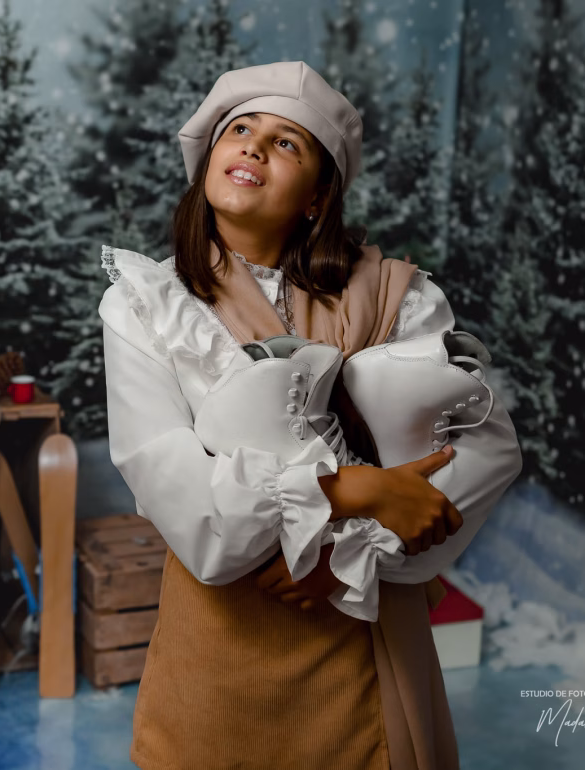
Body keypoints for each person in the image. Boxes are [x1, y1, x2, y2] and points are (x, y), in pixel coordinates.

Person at [98, 61, 522, 770]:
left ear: (319, 196)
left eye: (287, 142)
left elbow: (483, 449)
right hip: (223, 647)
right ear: (210, 159)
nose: (255, 147)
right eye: (241, 130)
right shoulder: (147, 307)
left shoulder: (398, 298)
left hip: (366, 639)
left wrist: (349, 559)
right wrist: (352, 490)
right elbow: (180, 493)